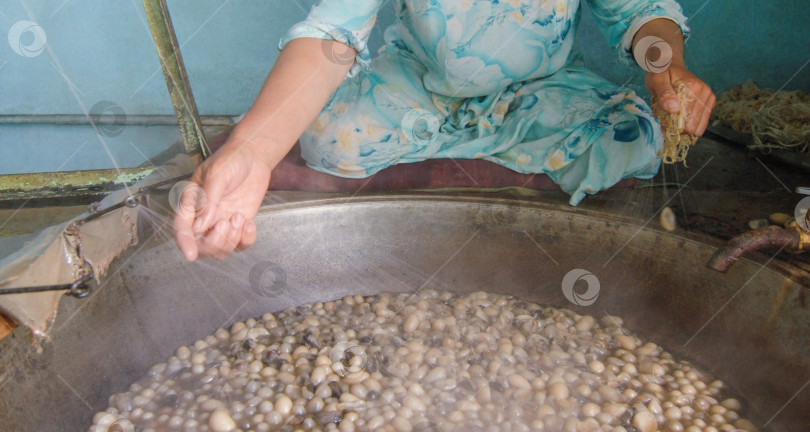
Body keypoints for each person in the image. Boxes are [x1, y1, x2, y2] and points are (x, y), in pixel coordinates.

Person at [173, 0, 715, 261]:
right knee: (328, 139)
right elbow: (333, 33)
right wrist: (251, 148)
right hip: (419, 84)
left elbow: (638, 13)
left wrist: (669, 72)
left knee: (637, 136)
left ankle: (470, 145)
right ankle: (484, 149)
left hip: (541, 90)